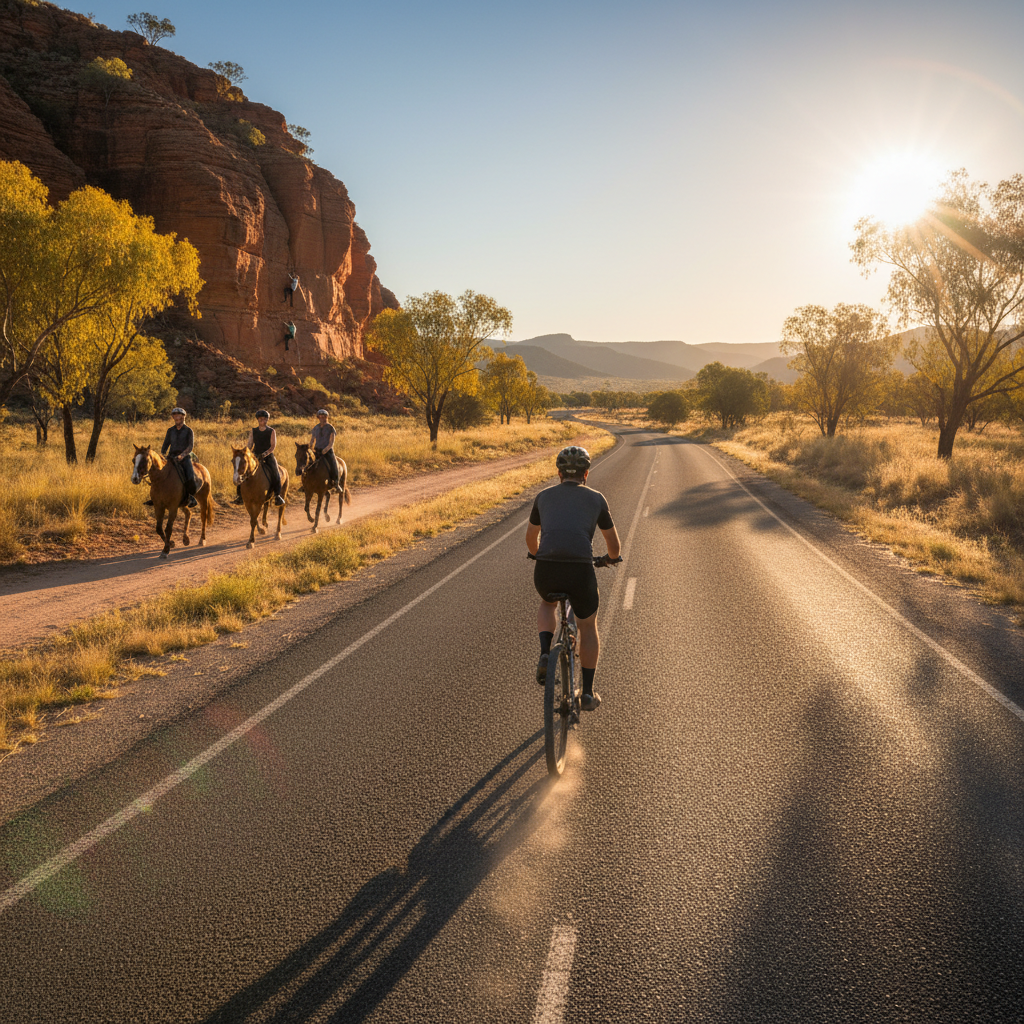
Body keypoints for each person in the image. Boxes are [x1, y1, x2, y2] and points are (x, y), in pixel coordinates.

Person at [526, 445, 620, 711]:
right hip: (580, 569)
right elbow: (614, 545)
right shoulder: (597, 498)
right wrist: (609, 559)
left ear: (558, 473)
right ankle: (587, 693)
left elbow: (531, 539)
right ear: (586, 474)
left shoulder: (543, 497)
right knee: (587, 626)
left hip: (546, 568)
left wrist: (538, 555)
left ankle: (545, 652)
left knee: (547, 603)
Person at [146, 407, 198, 508]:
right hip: (171, 457)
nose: (176, 417)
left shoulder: (188, 431)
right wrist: (163, 455)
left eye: (178, 415)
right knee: (158, 474)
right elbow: (165, 444)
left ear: (183, 417)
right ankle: (155, 497)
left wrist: (182, 455)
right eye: (174, 415)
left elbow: (190, 446)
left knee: (190, 476)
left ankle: (190, 497)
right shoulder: (170, 431)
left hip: (184, 458)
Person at [234, 410, 285, 506]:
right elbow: (249, 444)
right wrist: (245, 452)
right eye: (261, 419)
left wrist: (265, 453)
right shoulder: (253, 431)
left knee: (275, 472)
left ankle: (277, 496)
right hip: (255, 455)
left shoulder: (271, 431)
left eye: (265, 419)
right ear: (258, 420)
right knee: (242, 469)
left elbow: (273, 446)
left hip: (268, 455)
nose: (263, 421)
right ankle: (240, 496)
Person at [309, 408, 341, 493]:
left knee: (333, 463)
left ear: (327, 417)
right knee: (308, 464)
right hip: (317, 450)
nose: (323, 418)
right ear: (318, 417)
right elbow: (312, 439)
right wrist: (310, 447)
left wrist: (326, 449)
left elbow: (331, 442)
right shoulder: (315, 428)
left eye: (324, 417)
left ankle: (336, 483)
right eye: (321, 417)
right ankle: (306, 484)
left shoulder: (331, 428)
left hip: (327, 451)